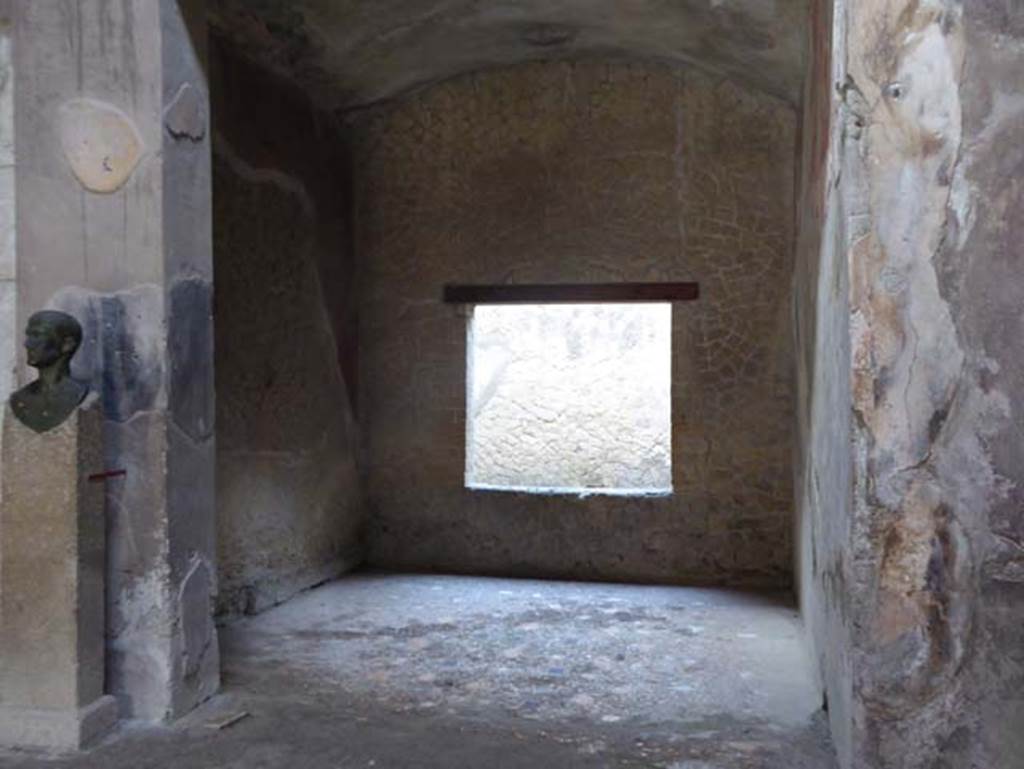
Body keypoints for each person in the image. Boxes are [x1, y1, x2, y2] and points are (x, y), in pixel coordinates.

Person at [9, 310, 89, 433]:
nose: (27, 344)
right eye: (28, 335)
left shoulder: (80, 395)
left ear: (67, 344)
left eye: (37, 335)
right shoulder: (19, 398)